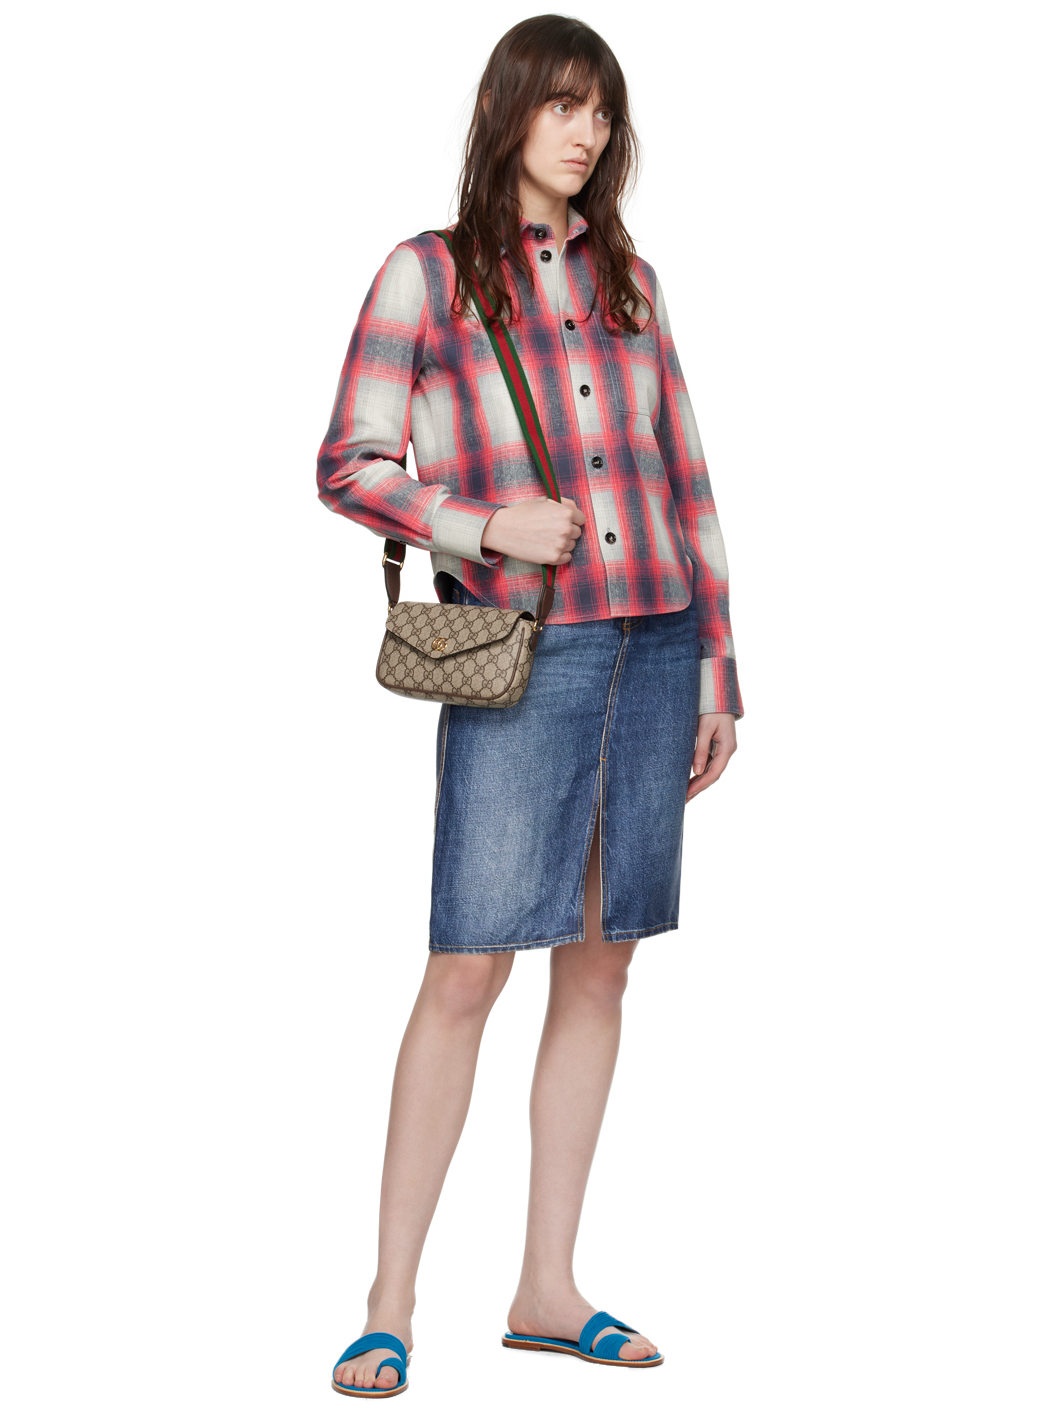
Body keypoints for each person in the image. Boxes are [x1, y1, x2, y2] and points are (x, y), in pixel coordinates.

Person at [316, 13, 744, 1398]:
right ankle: (389, 1300)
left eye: (602, 112)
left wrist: (719, 668)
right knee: (468, 967)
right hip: (528, 651)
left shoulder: (633, 281)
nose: (587, 133)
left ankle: (547, 1288)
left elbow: (687, 479)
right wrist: (485, 522)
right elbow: (347, 462)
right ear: (508, 112)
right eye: (563, 105)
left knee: (605, 962)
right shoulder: (429, 275)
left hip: (655, 641)